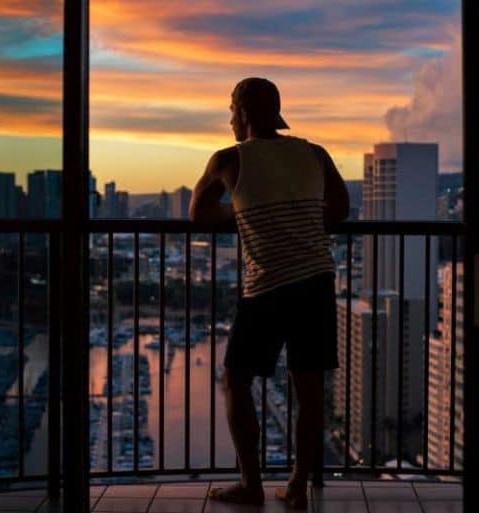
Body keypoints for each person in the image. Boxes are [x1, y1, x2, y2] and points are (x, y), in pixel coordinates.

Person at [189, 77, 349, 509]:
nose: (229, 118)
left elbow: (199, 214)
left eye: (231, 109)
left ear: (241, 112)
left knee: (235, 382)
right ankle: (297, 486)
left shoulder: (228, 160)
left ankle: (251, 484)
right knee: (309, 385)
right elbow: (340, 207)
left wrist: (238, 210)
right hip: (317, 279)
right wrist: (301, 213)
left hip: (267, 286)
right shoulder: (313, 153)